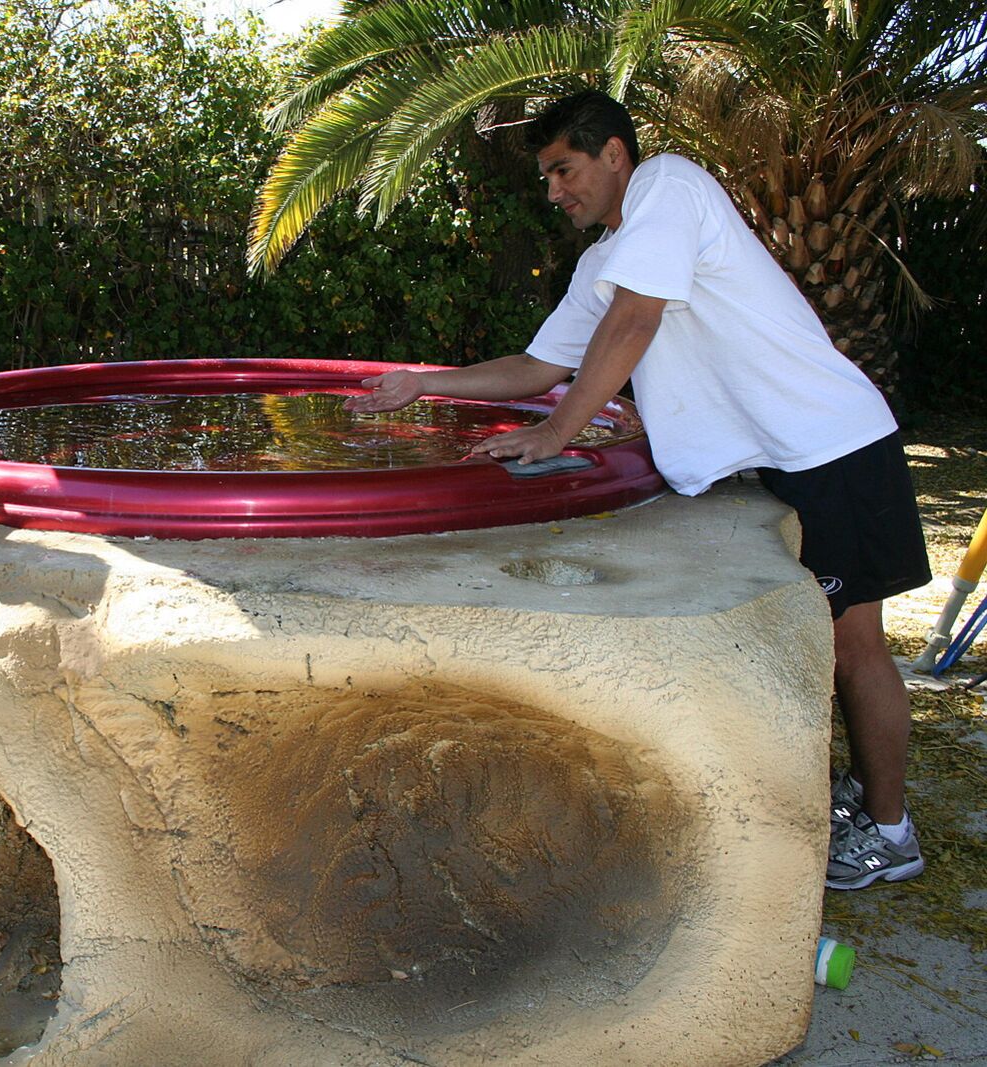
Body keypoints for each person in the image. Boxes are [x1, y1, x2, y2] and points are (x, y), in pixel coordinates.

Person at [346, 90, 930, 892]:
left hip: (836, 447)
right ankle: (870, 797)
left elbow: (635, 325)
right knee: (833, 646)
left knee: (854, 649)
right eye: (546, 177)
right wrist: (422, 384)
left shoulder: (669, 187)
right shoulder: (606, 263)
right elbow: (538, 367)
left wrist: (556, 435)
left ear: (615, 154)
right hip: (793, 458)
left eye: (563, 169)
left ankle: (892, 833)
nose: (553, 191)